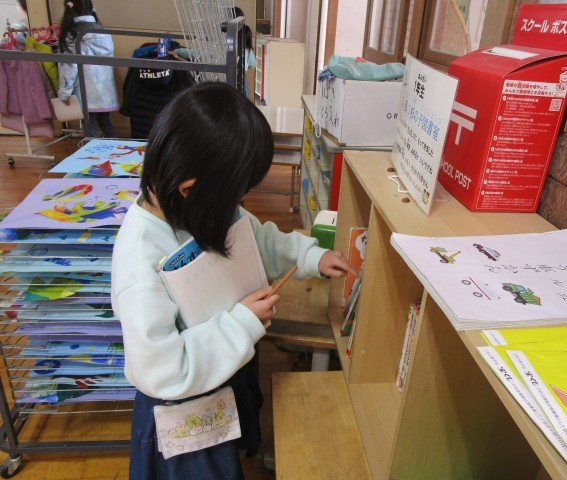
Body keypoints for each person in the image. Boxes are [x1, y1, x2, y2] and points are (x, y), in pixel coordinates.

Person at [111, 81, 354, 479]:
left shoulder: (203, 208)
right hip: (186, 413)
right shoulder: (140, 263)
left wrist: (311, 256)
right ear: (190, 190)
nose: (238, 208)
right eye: (235, 197)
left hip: (227, 366)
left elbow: (256, 239)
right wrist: (241, 323)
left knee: (236, 445)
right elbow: (164, 371)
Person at [57, 0, 118, 138]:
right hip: (105, 91)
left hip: (86, 91)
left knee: (89, 126)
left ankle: (91, 151)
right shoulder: (102, 31)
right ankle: (116, 148)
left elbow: (69, 67)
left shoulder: (73, 34)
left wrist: (65, 93)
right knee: (105, 122)